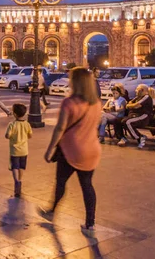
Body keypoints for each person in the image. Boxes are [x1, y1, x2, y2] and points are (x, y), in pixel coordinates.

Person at [41, 67, 102, 236]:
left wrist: (49, 149)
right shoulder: (96, 103)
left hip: (71, 150)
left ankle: (52, 211)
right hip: (92, 149)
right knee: (87, 186)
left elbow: (60, 128)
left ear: (75, 82)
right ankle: (90, 225)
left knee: (61, 182)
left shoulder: (69, 102)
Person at [5, 103, 32, 197]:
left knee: (15, 167)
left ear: (15, 114)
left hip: (14, 150)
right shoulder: (27, 124)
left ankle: (16, 181)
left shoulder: (12, 124)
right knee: (21, 167)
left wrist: (11, 136)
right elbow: (30, 135)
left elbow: (7, 135)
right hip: (24, 150)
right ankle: (20, 180)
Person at [116, 84, 152, 148]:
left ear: (142, 90)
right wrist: (131, 105)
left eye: (137, 89)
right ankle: (122, 138)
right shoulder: (137, 97)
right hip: (133, 116)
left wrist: (132, 106)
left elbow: (136, 105)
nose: (135, 90)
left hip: (142, 117)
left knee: (127, 122)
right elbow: (127, 105)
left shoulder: (146, 97)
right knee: (117, 120)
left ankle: (140, 137)